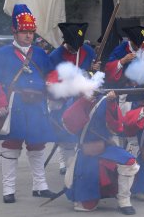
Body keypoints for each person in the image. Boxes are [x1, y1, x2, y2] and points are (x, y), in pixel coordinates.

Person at [0, 4, 56, 203]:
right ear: (15, 31)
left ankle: (40, 186)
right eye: (24, 31)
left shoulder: (39, 54)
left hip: (37, 106)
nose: (28, 35)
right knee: (12, 146)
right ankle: (8, 190)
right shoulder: (1, 54)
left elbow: (52, 75)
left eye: (31, 31)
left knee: (37, 145)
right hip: (14, 105)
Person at [62, 91, 139, 215]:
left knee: (129, 162)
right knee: (86, 206)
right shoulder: (76, 100)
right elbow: (69, 123)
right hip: (86, 151)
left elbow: (117, 128)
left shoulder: (104, 101)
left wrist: (112, 103)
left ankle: (124, 200)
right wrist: (85, 101)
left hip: (105, 147)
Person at [48, 22, 101, 175]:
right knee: (64, 133)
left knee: (82, 132)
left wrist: (95, 69)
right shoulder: (56, 56)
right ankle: (64, 161)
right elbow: (52, 79)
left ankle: (79, 161)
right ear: (66, 42)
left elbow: (92, 72)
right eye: (72, 46)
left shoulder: (87, 51)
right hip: (62, 98)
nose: (75, 50)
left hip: (82, 97)